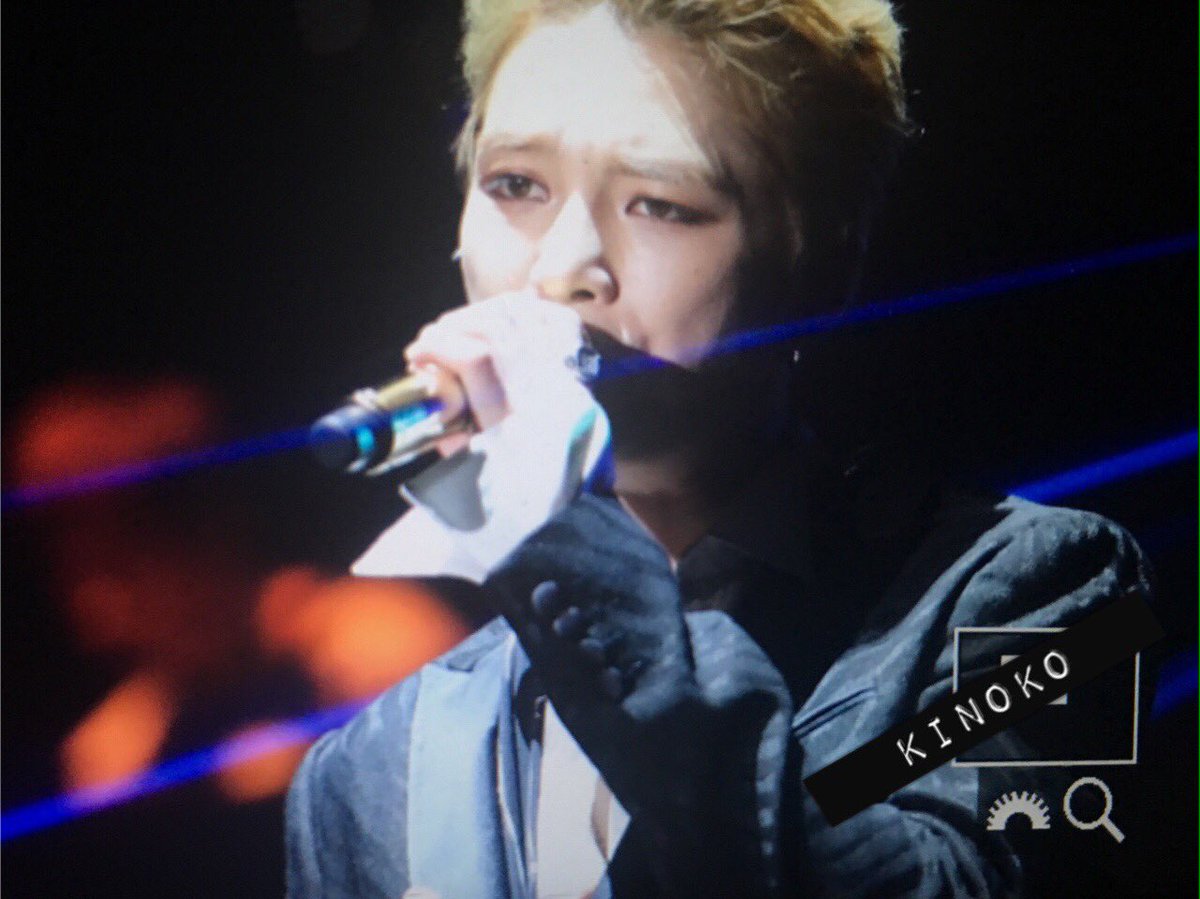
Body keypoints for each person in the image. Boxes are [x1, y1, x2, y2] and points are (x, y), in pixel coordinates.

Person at [285, 1, 1154, 896]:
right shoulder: (371, 771)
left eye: (660, 204)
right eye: (515, 185)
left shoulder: (1052, 596)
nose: (561, 268)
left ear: (823, 261)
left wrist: (567, 540)